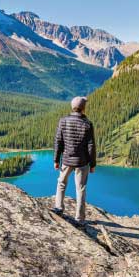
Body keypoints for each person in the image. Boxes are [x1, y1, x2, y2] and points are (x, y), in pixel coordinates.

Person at [52, 96, 96, 226]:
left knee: (61, 183)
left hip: (66, 160)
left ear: (73, 107)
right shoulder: (87, 123)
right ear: (83, 108)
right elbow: (91, 146)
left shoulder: (63, 121)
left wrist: (56, 160)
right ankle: (79, 219)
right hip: (82, 162)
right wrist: (92, 164)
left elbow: (58, 141)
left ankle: (59, 208)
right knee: (81, 189)